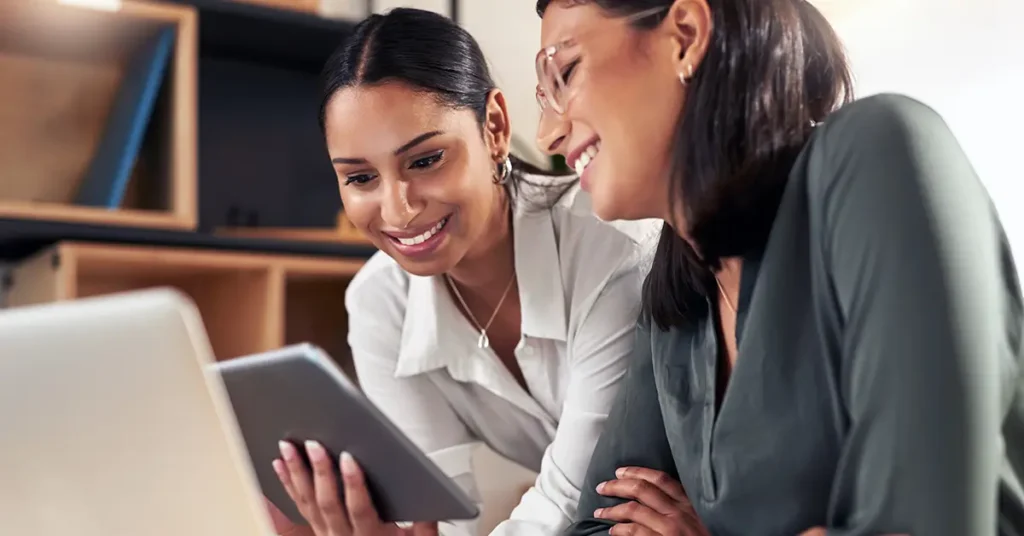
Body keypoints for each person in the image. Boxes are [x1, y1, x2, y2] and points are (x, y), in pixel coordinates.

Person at [532, 0, 1024, 535]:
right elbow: (597, 526)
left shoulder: (878, 153)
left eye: (566, 72)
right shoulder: (676, 301)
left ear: (685, 33)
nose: (547, 136)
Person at [267, 7, 659, 536]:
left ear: (494, 126)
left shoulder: (614, 249)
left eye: (425, 160)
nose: (398, 209)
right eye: (360, 177)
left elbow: (572, 496)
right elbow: (440, 517)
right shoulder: (380, 303)